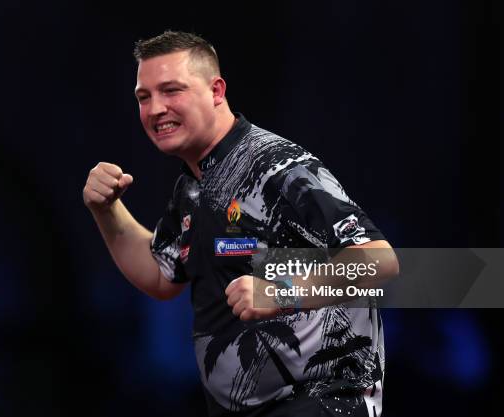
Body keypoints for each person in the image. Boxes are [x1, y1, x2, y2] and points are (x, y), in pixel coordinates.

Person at [83, 31, 398, 417]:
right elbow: (161, 276)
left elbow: (379, 261)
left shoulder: (278, 167)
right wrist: (106, 208)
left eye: (171, 90)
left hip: (321, 403)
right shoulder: (193, 187)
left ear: (216, 91)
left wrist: (281, 293)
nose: (155, 109)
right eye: (144, 97)